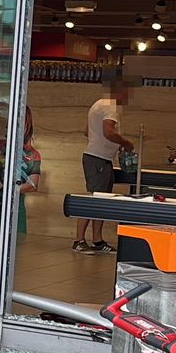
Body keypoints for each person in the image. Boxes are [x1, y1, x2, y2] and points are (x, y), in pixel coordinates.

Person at [76, 76, 132, 254]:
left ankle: (97, 241)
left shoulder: (98, 104)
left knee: (101, 199)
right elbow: (108, 131)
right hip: (97, 158)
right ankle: (78, 240)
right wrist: (125, 143)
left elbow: (87, 130)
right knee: (94, 199)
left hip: (99, 157)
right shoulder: (111, 106)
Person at [16, 109, 42, 237]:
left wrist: (8, 190)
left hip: (16, 209)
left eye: (23, 122)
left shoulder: (33, 155)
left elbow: (33, 185)